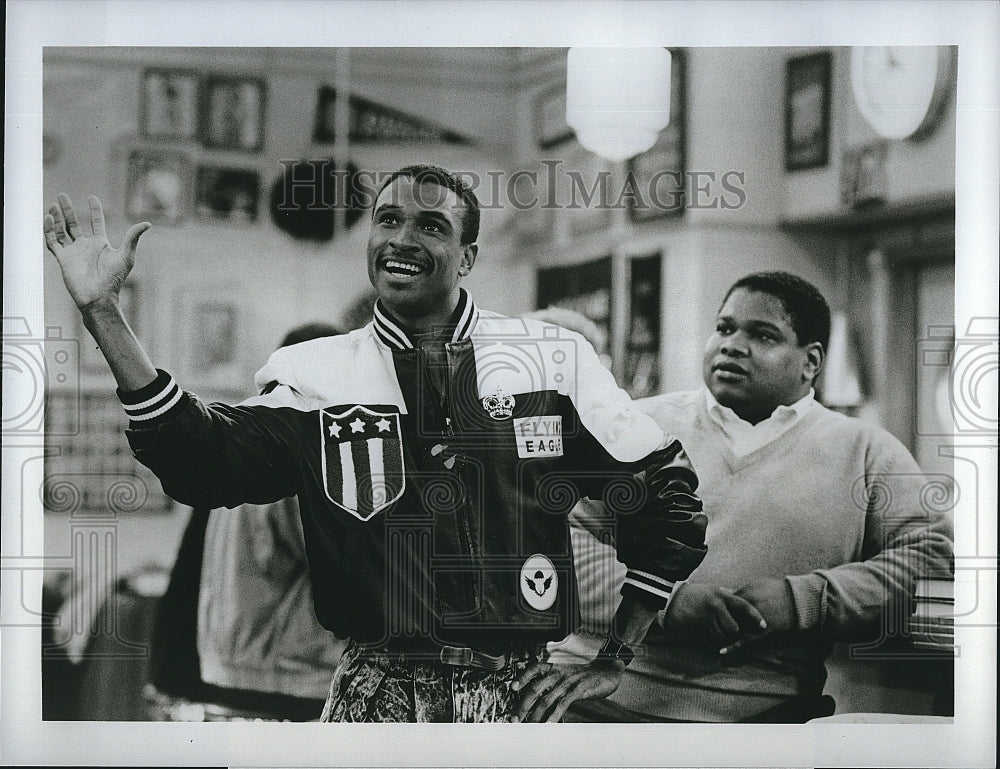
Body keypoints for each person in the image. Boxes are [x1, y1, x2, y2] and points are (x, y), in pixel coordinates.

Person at [43, 164, 709, 723]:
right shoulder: (318, 375)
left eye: (431, 225)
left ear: (469, 256)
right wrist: (104, 314)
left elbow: (666, 503)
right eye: (388, 219)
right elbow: (204, 458)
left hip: (515, 695)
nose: (403, 238)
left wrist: (612, 659)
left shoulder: (549, 361)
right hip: (371, 692)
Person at [551, 271, 954, 722]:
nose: (732, 345)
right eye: (724, 328)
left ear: (811, 361)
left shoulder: (866, 452)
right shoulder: (636, 425)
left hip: (765, 717)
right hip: (598, 704)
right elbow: (556, 543)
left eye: (762, 335)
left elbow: (930, 559)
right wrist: (669, 602)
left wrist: (803, 600)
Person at [147, 322, 349, 722]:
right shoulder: (301, 443)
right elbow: (341, 569)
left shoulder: (239, 433)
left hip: (218, 664)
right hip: (284, 678)